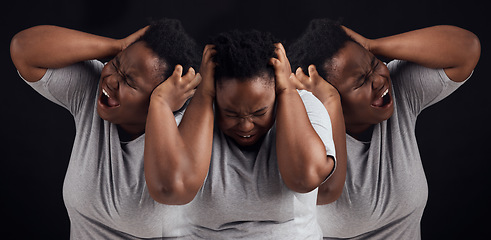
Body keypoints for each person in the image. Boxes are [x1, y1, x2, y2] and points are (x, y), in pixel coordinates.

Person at [288, 19, 480, 239]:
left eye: (374, 64)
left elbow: (467, 49)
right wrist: (329, 102)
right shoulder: (307, 134)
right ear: (325, 95)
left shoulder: (399, 94)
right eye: (360, 81)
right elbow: (324, 191)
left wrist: (371, 46)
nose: (379, 80)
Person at [10, 18, 201, 239]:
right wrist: (118, 46)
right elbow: (23, 48)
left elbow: (171, 188)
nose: (111, 80)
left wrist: (161, 105)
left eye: (129, 81)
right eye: (115, 64)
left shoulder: (187, 134)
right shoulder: (92, 93)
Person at [144, 29, 343, 239]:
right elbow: (174, 189)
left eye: (259, 113)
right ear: (214, 100)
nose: (246, 126)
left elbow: (305, 177)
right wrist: (203, 95)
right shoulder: (190, 112)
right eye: (231, 114)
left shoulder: (306, 105)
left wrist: (287, 91)